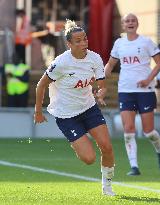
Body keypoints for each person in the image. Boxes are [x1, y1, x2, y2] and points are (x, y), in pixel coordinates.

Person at [34, 20, 115, 196]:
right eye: (78, 41)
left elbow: (102, 85)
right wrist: (38, 111)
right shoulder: (61, 63)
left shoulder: (95, 58)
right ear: (69, 44)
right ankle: (77, 141)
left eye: (85, 39)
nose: (83, 43)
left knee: (107, 147)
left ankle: (107, 187)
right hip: (66, 115)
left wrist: (101, 93)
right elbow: (41, 85)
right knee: (89, 159)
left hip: (89, 108)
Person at [105, 13, 160, 176]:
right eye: (127, 21)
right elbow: (110, 65)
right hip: (125, 91)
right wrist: (102, 81)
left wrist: (148, 80)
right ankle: (134, 166)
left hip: (145, 92)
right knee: (129, 129)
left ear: (137, 24)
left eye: (133, 20)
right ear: (123, 25)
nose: (130, 23)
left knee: (149, 131)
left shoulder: (146, 42)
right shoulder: (119, 44)